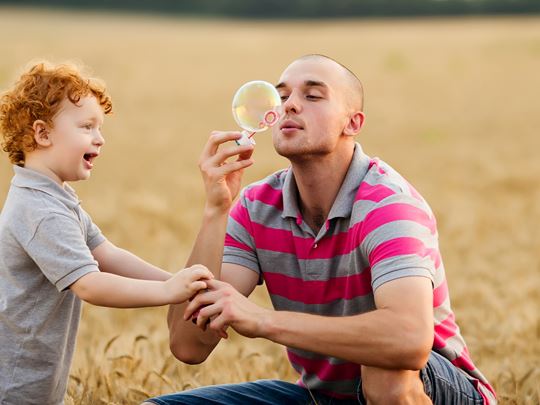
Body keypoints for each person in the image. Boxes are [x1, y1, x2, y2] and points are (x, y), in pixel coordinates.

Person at [145, 54, 497, 404]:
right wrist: (215, 211)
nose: (290, 106)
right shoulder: (255, 206)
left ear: (353, 123)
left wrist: (265, 321)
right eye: (281, 97)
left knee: (384, 374)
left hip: (436, 389)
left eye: (312, 96)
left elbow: (408, 341)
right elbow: (188, 345)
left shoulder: (387, 205)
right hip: (321, 397)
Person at [0, 61, 214, 405]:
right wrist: (167, 290)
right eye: (87, 127)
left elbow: (106, 255)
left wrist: (181, 283)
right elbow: (90, 283)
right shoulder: (39, 211)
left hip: (34, 381)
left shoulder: (55, 197)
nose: (100, 139)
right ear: (42, 134)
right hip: (14, 386)